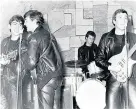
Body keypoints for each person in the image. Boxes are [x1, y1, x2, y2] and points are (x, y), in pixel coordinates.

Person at [95, 9, 136, 109]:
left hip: (131, 79)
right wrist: (111, 67)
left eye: (125, 18)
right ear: (114, 21)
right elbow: (98, 59)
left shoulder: (133, 37)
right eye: (120, 18)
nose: (123, 20)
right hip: (112, 78)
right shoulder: (106, 38)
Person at [24, 10, 64, 109]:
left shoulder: (34, 37)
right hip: (57, 77)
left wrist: (23, 58)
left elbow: (31, 63)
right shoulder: (49, 34)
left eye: (26, 21)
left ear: (34, 21)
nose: (25, 24)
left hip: (46, 78)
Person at [0, 15, 29, 109]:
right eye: (14, 24)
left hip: (16, 84)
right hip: (3, 82)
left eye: (20, 24)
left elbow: (22, 69)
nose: (17, 27)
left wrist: (8, 62)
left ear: (23, 27)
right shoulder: (4, 42)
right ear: (9, 26)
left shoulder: (24, 44)